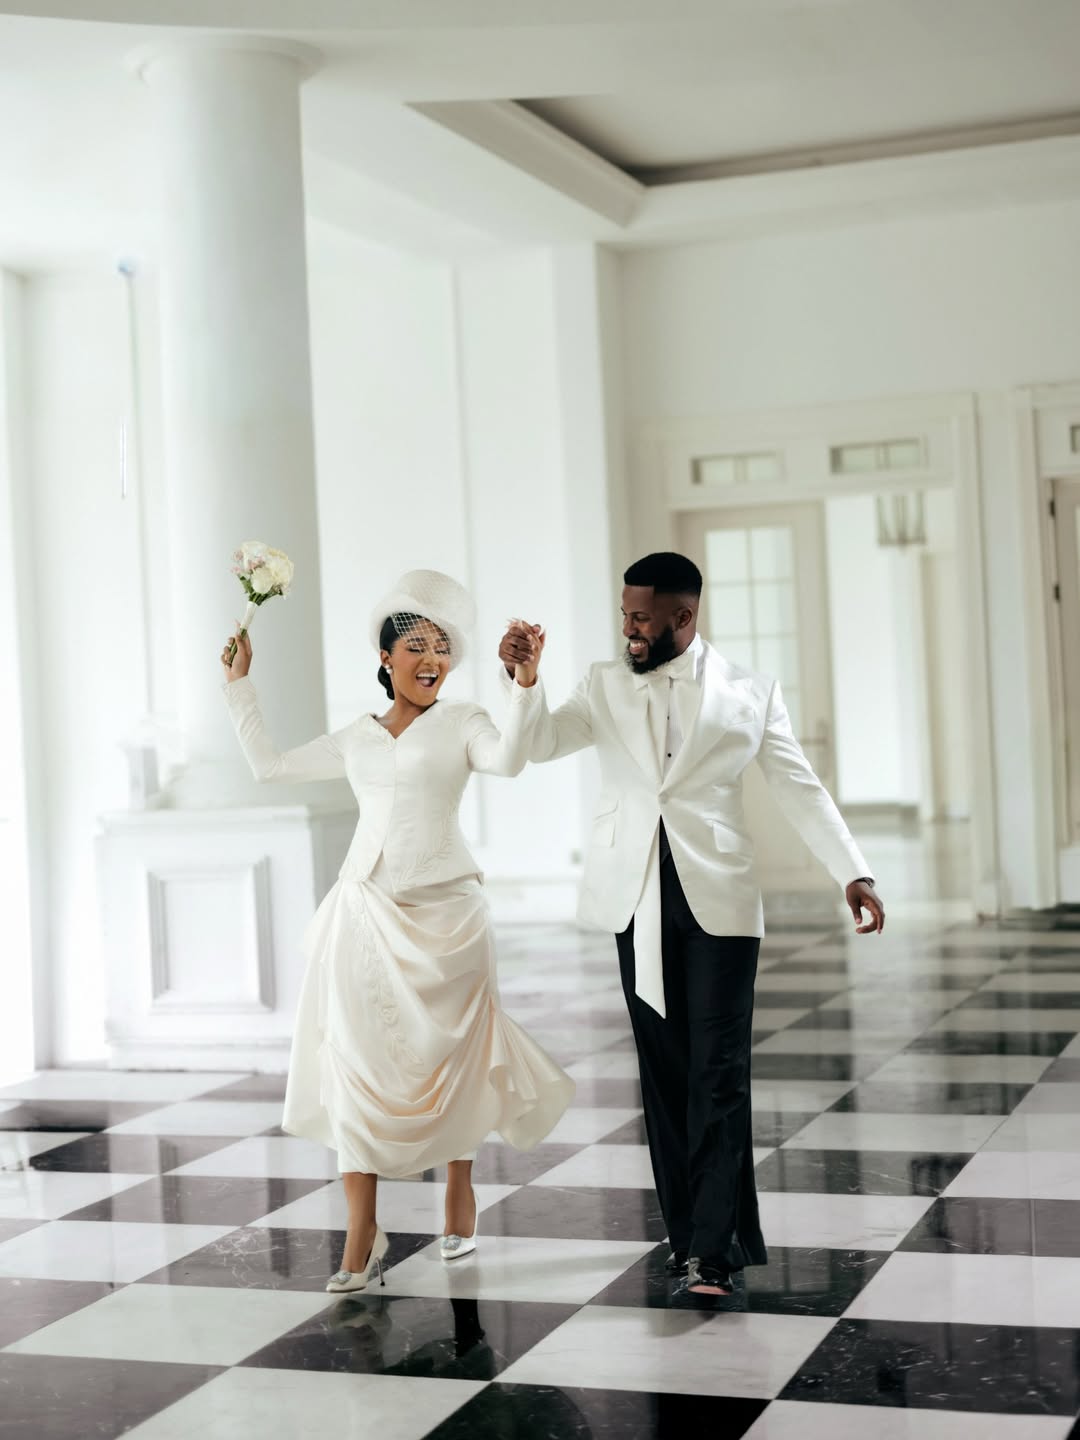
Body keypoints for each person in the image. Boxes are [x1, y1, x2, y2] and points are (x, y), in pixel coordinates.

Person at [499, 552, 883, 1297]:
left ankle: (713, 1251)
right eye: (624, 614)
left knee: (718, 1070)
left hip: (721, 901)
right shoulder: (602, 684)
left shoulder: (749, 691)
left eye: (641, 618)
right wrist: (525, 682)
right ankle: (691, 1239)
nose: (629, 629)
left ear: (684, 615)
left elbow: (798, 784)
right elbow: (538, 745)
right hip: (634, 895)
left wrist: (852, 870)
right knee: (666, 1073)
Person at [220, 568, 574, 1295]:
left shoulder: (467, 721)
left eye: (442, 648)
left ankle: (459, 1191)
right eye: (417, 646)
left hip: (451, 917)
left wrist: (524, 683)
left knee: (455, 1058)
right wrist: (239, 685)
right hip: (365, 912)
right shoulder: (357, 736)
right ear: (386, 658)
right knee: (356, 1059)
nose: (431, 659)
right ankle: (362, 1233)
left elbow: (509, 759)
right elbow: (269, 767)